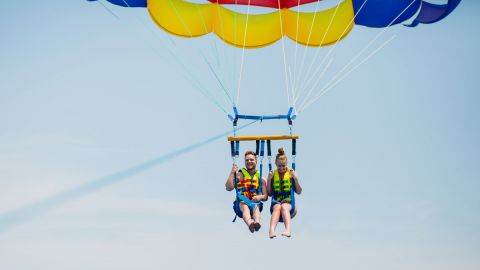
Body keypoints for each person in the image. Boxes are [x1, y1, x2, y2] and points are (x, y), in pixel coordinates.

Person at [226, 150, 268, 233]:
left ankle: (257, 223)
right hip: (241, 202)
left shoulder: (261, 179)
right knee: (245, 207)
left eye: (251, 160)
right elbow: (228, 187)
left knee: (256, 209)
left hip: (254, 202)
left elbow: (265, 197)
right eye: (247, 160)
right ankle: (250, 224)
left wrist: (259, 197)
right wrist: (232, 172)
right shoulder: (240, 175)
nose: (249, 162)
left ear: (256, 161)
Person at [267, 147, 302, 238]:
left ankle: (288, 229)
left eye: (283, 166)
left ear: (286, 164)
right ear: (276, 164)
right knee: (277, 207)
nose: (281, 168)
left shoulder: (291, 173)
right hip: (276, 200)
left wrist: (295, 179)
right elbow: (270, 193)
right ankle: (271, 230)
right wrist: (269, 179)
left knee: (284, 207)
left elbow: (299, 191)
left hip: (288, 201)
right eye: (279, 166)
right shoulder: (273, 174)